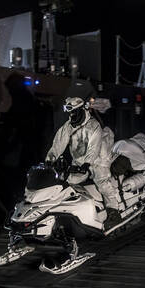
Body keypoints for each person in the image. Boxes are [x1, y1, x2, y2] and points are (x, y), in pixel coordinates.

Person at [46, 97, 121, 228]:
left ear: (81, 110)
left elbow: (94, 147)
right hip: (80, 160)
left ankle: (114, 211)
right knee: (69, 181)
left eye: (74, 112)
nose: (72, 115)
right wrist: (50, 160)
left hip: (99, 159)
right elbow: (58, 143)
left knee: (102, 182)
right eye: (70, 113)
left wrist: (87, 164)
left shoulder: (93, 126)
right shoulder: (69, 126)